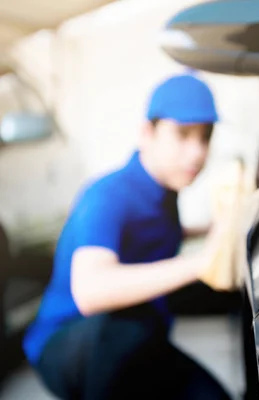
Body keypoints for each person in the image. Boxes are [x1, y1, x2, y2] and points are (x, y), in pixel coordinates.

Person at [23, 74, 232, 400]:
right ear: (146, 133)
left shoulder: (165, 193)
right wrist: (204, 262)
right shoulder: (107, 195)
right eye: (183, 134)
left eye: (205, 137)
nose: (197, 152)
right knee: (130, 325)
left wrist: (223, 225)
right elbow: (90, 290)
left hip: (139, 340)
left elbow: (161, 233)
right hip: (72, 342)